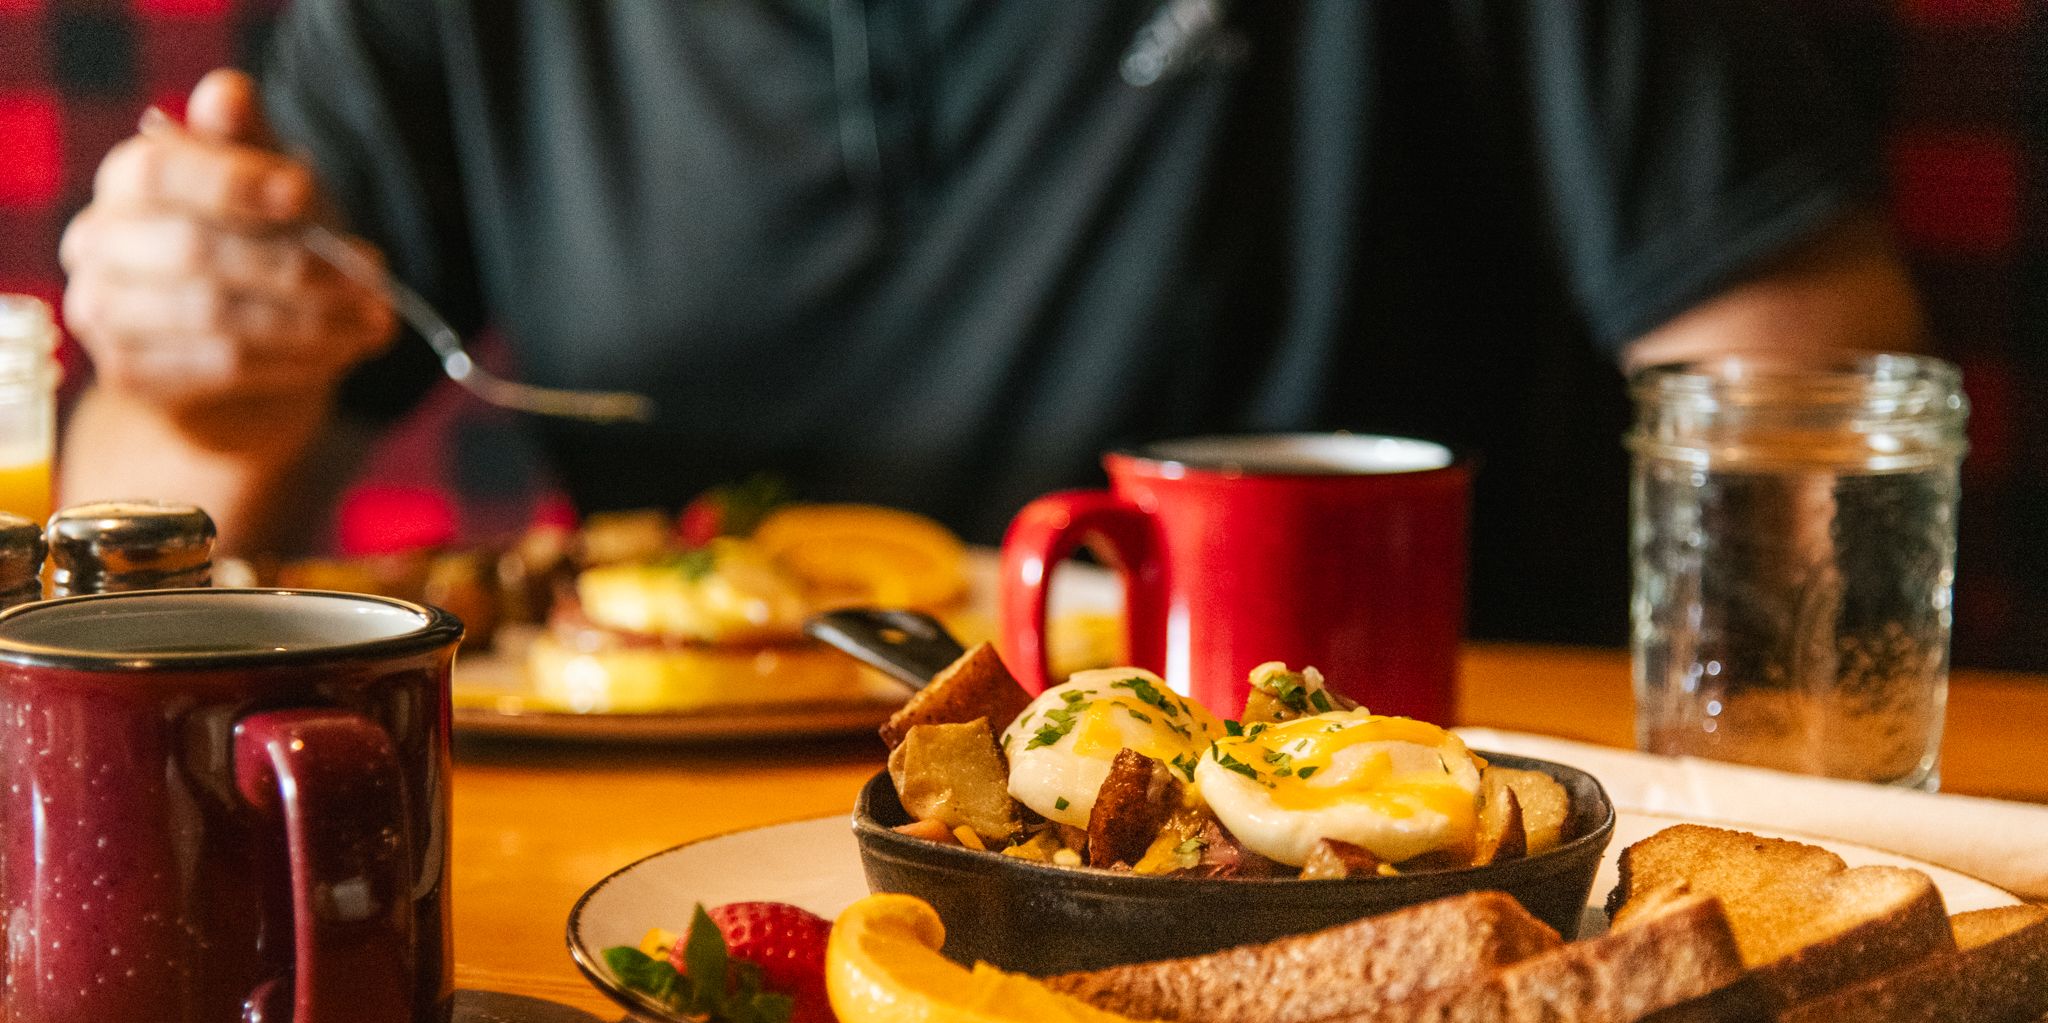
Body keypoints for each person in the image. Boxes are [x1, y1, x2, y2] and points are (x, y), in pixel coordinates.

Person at [57, 1, 1923, 644]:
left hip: (1361, 825)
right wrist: (189, 378)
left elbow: (1796, 363)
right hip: (660, 872)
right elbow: (151, 552)